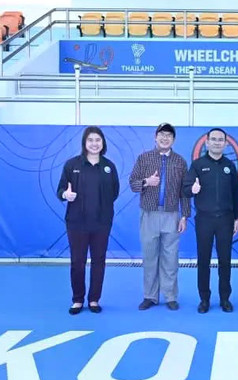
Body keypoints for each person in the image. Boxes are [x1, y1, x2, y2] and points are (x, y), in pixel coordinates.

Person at [56, 126, 120, 315]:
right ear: (84, 143)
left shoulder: (109, 167)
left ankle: (94, 299)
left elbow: (114, 192)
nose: (94, 144)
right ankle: (77, 300)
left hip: (101, 223)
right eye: (90, 140)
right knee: (77, 261)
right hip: (77, 223)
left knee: (99, 261)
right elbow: (60, 190)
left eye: (98, 140)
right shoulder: (72, 165)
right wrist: (66, 195)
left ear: (103, 143)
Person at [129, 123, 191, 311]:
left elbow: (185, 191)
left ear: (174, 140)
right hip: (149, 213)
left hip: (171, 215)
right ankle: (150, 296)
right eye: (162, 134)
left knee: (170, 258)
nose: (165, 138)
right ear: (155, 137)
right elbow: (132, 184)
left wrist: (184, 216)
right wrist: (147, 182)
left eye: (169, 135)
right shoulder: (144, 158)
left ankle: (170, 296)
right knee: (150, 257)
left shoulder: (180, 161)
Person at [183, 127, 238, 314]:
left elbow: (236, 193)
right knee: (203, 260)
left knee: (225, 260)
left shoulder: (229, 166)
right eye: (213, 139)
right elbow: (186, 189)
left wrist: (237, 218)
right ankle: (204, 299)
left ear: (225, 143)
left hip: (225, 219)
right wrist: (192, 189)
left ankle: (225, 298)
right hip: (204, 220)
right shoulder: (197, 165)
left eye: (220, 140)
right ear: (207, 142)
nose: (217, 142)